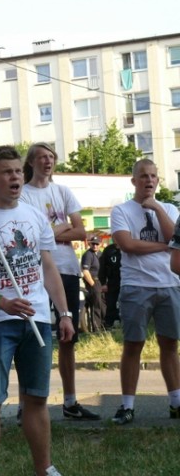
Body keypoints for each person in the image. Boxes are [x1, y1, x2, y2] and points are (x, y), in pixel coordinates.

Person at [0, 145, 74, 476]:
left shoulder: (35, 216)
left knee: (36, 399)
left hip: (36, 318)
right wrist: (2, 302)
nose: (15, 177)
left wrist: (63, 313)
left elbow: (48, 266)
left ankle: (44, 468)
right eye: (7, 172)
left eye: (18, 171)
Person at [20, 142, 100, 421]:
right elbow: (28, 237)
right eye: (41, 157)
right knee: (30, 338)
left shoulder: (63, 191)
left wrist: (57, 231)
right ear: (30, 162)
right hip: (35, 273)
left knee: (69, 338)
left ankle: (70, 401)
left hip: (66, 269)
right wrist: (62, 227)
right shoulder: (24, 195)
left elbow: (80, 232)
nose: (47, 161)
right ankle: (25, 404)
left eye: (51, 156)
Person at [110, 158, 180, 425]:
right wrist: (165, 246)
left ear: (158, 181)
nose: (148, 180)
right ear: (134, 181)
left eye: (153, 176)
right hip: (136, 285)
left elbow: (175, 235)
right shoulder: (121, 210)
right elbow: (127, 245)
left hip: (170, 284)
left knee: (170, 344)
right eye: (143, 176)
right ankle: (127, 405)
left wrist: (156, 209)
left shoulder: (170, 209)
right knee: (133, 345)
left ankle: (175, 402)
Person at [81, 236, 105, 332]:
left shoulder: (101, 254)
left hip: (101, 282)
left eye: (97, 244)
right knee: (96, 305)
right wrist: (93, 285)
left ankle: (104, 326)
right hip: (93, 281)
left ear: (101, 244)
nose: (95, 246)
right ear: (90, 244)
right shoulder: (88, 255)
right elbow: (85, 272)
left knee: (103, 305)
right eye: (93, 244)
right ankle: (96, 328)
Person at [98, 241, 121, 328]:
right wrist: (103, 283)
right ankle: (109, 325)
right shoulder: (108, 250)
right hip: (112, 281)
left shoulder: (126, 246)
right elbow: (102, 268)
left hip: (126, 280)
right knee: (111, 304)